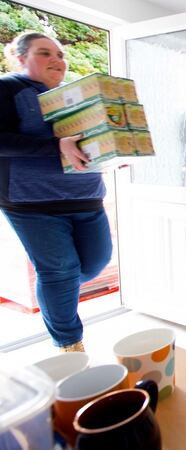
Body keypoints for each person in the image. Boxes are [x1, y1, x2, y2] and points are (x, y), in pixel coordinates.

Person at [0, 32, 112, 352]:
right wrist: (55, 146)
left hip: (87, 196)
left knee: (94, 264)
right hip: (33, 202)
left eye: (60, 55)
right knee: (60, 270)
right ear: (20, 59)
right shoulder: (8, 88)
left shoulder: (73, 96)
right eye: (44, 53)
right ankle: (69, 345)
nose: (57, 61)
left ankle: (54, 290)